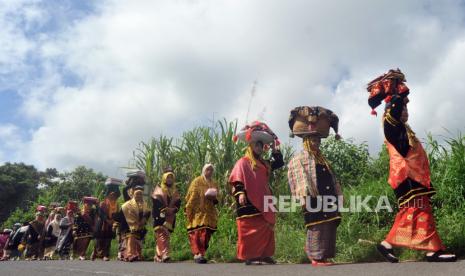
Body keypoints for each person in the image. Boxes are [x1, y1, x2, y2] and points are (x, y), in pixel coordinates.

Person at [367, 69, 456, 262]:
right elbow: (395, 108)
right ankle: (431, 250)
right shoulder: (391, 125)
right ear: (393, 111)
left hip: (415, 176)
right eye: (403, 110)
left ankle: (391, 245)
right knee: (417, 209)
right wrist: (395, 93)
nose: (406, 112)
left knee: (415, 210)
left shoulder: (404, 129)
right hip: (407, 176)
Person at [287, 106, 343, 266]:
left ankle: (324, 255)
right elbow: (299, 179)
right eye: (313, 140)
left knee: (330, 224)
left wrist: (339, 195)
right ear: (306, 141)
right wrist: (303, 197)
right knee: (317, 225)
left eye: (318, 140)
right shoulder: (299, 159)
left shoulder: (323, 159)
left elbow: (333, 179)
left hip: (329, 197)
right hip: (312, 197)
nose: (316, 143)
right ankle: (315, 257)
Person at [229, 121, 284, 265]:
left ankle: (264, 255)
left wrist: (274, 147)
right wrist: (240, 193)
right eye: (256, 145)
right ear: (251, 145)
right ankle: (250, 257)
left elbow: (279, 162)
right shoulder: (243, 162)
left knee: (266, 227)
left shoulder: (264, 163)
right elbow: (237, 180)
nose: (259, 148)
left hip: (265, 199)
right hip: (247, 200)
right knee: (249, 228)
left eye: (261, 145)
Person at [185, 164, 219, 264]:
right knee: (197, 232)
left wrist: (214, 198)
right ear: (203, 170)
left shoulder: (214, 183)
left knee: (206, 233)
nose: (210, 172)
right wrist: (189, 208)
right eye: (208, 170)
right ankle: (197, 254)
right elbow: (191, 194)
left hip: (209, 212)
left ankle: (201, 253)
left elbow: (218, 196)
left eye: (211, 170)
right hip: (197, 211)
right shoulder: (197, 181)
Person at [152, 168, 181, 263]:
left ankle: (158, 255)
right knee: (162, 234)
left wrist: (173, 210)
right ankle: (165, 254)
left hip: (170, 216)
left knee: (166, 236)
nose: (169, 179)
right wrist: (164, 209)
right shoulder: (159, 189)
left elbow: (178, 203)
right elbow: (156, 202)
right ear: (164, 178)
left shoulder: (174, 191)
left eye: (171, 178)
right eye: (168, 177)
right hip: (160, 216)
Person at [92, 178, 122, 261]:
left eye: (114, 195)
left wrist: (114, 221)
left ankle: (105, 254)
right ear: (108, 195)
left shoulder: (117, 204)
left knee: (108, 240)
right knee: (100, 239)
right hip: (102, 224)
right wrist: (107, 220)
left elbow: (117, 214)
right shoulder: (103, 203)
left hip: (111, 224)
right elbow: (100, 213)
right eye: (111, 194)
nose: (113, 196)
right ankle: (96, 252)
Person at [120, 185, 150, 262]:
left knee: (139, 242)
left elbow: (147, 213)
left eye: (140, 194)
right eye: (137, 194)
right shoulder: (127, 205)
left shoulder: (144, 204)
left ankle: (137, 255)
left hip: (140, 226)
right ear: (133, 194)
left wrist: (144, 219)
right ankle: (129, 255)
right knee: (131, 238)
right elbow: (121, 216)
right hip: (128, 226)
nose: (139, 196)